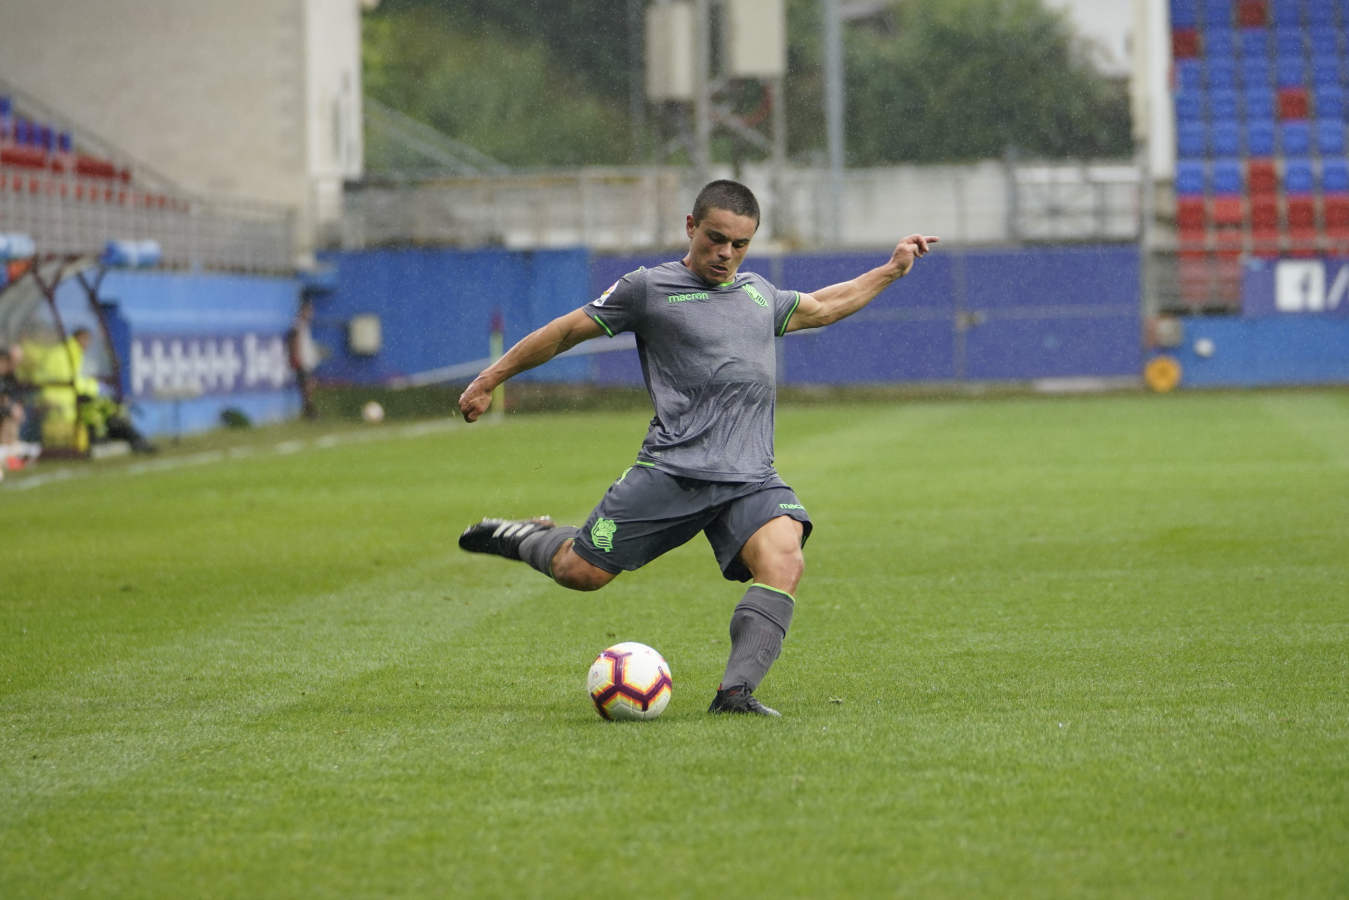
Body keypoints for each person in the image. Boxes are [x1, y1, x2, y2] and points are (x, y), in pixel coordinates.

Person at [457, 179, 938, 717]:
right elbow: (567, 331)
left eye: (740, 244)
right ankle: (529, 536)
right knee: (581, 573)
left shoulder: (757, 293)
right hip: (672, 472)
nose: (726, 254)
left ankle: (735, 694)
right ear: (691, 227)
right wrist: (490, 379)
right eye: (716, 239)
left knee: (784, 561)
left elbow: (823, 306)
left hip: (750, 477)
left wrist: (891, 270)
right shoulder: (647, 289)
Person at [287, 298, 320, 419]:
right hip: (301, 361)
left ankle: (310, 409)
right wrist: (295, 357)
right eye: (309, 310)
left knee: (309, 384)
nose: (311, 313)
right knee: (306, 385)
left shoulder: (304, 325)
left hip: (306, 360)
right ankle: (309, 410)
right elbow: (293, 339)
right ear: (303, 311)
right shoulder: (298, 324)